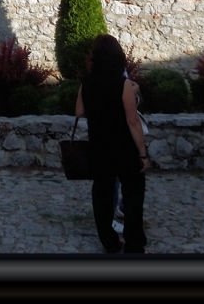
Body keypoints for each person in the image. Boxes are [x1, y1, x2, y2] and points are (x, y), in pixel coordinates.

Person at [76, 34, 149, 253]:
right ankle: (134, 243)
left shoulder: (86, 82)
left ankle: (109, 241)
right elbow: (132, 121)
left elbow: (79, 111)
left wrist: (99, 109)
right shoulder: (124, 85)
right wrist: (143, 153)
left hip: (99, 146)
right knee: (133, 194)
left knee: (102, 195)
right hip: (124, 147)